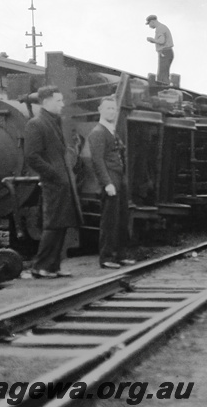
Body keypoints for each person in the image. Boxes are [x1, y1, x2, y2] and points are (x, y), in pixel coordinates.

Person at [24, 85, 83, 278]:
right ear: (47, 102)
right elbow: (32, 156)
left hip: (63, 182)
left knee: (62, 223)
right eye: (59, 101)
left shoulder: (54, 122)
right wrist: (53, 174)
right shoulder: (36, 123)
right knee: (53, 225)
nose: (62, 104)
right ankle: (40, 266)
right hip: (54, 182)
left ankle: (53, 266)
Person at [87, 96, 135, 269]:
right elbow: (97, 161)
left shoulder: (111, 131)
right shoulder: (98, 133)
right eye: (108, 108)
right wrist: (107, 183)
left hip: (118, 179)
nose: (111, 112)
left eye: (113, 109)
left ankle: (120, 255)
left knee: (121, 219)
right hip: (110, 181)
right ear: (100, 110)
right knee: (110, 221)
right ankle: (107, 257)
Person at [146, 14, 174, 84]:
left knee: (162, 75)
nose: (149, 26)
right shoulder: (162, 27)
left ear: (152, 21)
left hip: (164, 52)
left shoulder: (160, 29)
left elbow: (162, 41)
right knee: (164, 73)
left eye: (149, 24)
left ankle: (164, 90)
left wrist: (152, 40)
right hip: (168, 52)